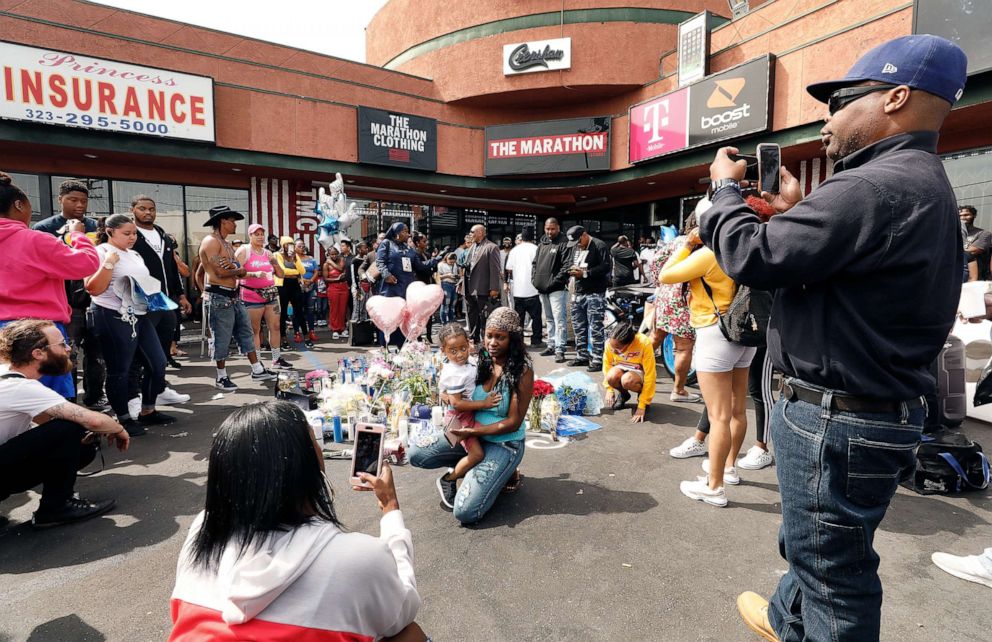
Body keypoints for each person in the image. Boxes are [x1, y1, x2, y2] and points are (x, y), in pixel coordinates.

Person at [699, 35, 967, 641]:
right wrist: (799, 209)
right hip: (863, 413)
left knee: (834, 579)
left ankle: (806, 624)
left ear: (896, 97)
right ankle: (786, 621)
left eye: (842, 100)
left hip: (836, 420)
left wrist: (723, 193)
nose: (829, 119)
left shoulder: (878, 184)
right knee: (813, 545)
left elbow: (754, 255)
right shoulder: (912, 179)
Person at [168, 401, 424, 641]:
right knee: (411, 634)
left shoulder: (204, 529)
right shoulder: (356, 558)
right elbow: (403, 609)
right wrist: (391, 509)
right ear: (306, 466)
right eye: (314, 442)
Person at [660, 214, 754, 508]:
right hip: (746, 333)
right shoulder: (749, 247)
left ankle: (715, 487)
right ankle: (728, 469)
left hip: (715, 332)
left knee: (718, 416)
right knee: (737, 409)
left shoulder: (710, 254)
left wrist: (687, 244)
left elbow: (666, 275)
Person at [0, 319, 129, 528]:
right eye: (62, 344)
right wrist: (119, 428)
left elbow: (41, 420)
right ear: (38, 353)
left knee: (80, 445)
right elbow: (93, 420)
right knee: (69, 427)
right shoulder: (18, 386)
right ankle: (56, 507)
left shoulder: (6, 373)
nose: (69, 348)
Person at [409, 307, 531, 524]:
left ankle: (503, 468)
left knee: (465, 511)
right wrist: (449, 398)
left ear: (513, 339)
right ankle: (474, 465)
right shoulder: (479, 359)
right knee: (416, 453)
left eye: (500, 338)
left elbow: (513, 423)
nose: (492, 342)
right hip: (470, 435)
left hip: (503, 443)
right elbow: (449, 389)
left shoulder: (522, 371)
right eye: (489, 336)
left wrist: (471, 431)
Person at [0, 173, 100, 399]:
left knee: (9, 400)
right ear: (18, 204)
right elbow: (86, 263)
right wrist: (77, 236)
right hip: (40, 333)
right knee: (52, 401)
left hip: (2, 333)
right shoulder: (34, 238)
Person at [84, 214, 175, 434]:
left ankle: (148, 410)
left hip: (140, 313)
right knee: (120, 369)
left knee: (157, 363)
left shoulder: (134, 254)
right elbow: (93, 288)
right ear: (110, 231)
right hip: (112, 314)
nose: (132, 237)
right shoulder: (101, 252)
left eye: (134, 233)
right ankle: (123, 418)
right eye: (127, 233)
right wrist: (108, 264)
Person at [31, 179, 105, 405]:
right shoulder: (43, 228)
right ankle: (69, 402)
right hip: (65, 303)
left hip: (97, 300)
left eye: (83, 200)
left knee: (97, 356)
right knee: (66, 355)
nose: (79, 205)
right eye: (73, 200)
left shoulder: (95, 226)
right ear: (60, 199)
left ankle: (94, 398)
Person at [198, 206, 277, 391]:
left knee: (246, 332)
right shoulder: (211, 242)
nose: (235, 224)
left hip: (233, 295)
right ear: (223, 221)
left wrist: (237, 270)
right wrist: (237, 271)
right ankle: (221, 377)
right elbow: (217, 271)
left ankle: (257, 369)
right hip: (219, 295)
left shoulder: (225, 243)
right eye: (232, 220)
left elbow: (230, 270)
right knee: (222, 337)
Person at [129, 195, 192, 406]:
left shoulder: (163, 235)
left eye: (151, 209)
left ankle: (159, 388)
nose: (148, 212)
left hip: (166, 300)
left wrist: (181, 294)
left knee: (163, 347)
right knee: (140, 351)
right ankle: (137, 393)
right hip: (141, 303)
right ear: (133, 210)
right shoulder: (130, 236)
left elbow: (172, 269)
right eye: (142, 208)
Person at [434, 323, 488, 509]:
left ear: (469, 344)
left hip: (470, 412)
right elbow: (456, 403)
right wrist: (484, 403)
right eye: (453, 351)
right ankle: (449, 478)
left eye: (463, 348)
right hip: (460, 417)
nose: (459, 354)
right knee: (477, 454)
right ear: (444, 351)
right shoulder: (453, 372)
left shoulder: (469, 361)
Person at [649, 215, 699, 404]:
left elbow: (655, 264)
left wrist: (660, 285)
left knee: (655, 337)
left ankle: (629, 368)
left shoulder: (676, 242)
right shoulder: (702, 245)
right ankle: (678, 390)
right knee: (683, 347)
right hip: (686, 297)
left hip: (665, 295)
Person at [375, 223, 442, 347]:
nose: (408, 234)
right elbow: (379, 261)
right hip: (391, 287)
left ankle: (402, 345)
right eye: (405, 231)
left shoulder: (409, 249)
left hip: (406, 288)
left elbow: (421, 266)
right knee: (389, 317)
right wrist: (386, 275)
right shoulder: (387, 244)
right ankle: (384, 346)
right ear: (397, 233)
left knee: (403, 317)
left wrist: (436, 260)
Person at [235, 223, 290, 370]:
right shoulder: (243, 251)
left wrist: (276, 265)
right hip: (251, 295)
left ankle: (276, 359)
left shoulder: (268, 253)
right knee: (255, 330)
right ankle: (257, 362)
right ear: (250, 236)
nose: (260, 237)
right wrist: (253, 274)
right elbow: (235, 272)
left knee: (276, 326)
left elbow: (281, 274)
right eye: (256, 234)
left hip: (270, 293)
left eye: (261, 234)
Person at [566, 225, 611, 372]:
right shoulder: (576, 247)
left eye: (578, 241)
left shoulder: (599, 245)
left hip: (595, 292)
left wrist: (586, 273)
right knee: (579, 326)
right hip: (578, 292)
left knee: (596, 326)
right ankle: (582, 355)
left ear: (584, 235)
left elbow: (605, 266)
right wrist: (571, 270)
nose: (577, 245)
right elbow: (569, 262)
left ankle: (598, 358)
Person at [532, 218, 571, 363]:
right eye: (547, 229)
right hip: (542, 288)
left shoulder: (564, 243)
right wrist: (534, 280)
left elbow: (566, 266)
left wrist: (553, 282)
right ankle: (551, 344)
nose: (550, 232)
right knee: (548, 319)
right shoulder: (542, 243)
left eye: (552, 229)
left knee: (559, 319)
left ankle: (560, 349)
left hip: (557, 289)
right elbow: (535, 264)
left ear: (558, 228)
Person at [602, 321, 656, 423]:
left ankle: (642, 395)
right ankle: (624, 394)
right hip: (621, 366)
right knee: (611, 377)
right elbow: (607, 366)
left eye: (617, 349)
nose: (613, 351)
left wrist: (642, 405)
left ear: (629, 344)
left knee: (627, 380)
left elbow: (650, 375)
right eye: (612, 347)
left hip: (638, 371)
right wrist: (609, 389)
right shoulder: (610, 343)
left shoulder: (643, 342)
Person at [463, 225, 502, 343]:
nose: (470, 234)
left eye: (472, 232)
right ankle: (473, 337)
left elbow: (495, 269)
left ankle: (485, 340)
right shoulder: (472, 247)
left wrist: (494, 288)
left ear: (480, 233)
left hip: (483, 287)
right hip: (469, 287)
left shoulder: (491, 247)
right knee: (472, 314)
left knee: (484, 316)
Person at [504, 227, 542, 347]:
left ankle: (519, 341)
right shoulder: (537, 249)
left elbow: (508, 268)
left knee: (519, 318)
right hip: (534, 289)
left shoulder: (514, 250)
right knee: (536, 317)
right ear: (533, 237)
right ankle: (536, 340)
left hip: (518, 290)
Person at [274, 236, 311, 349]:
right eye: (287, 244)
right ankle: (284, 339)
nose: (290, 246)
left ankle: (306, 336)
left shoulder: (294, 256)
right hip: (282, 285)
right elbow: (281, 271)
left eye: (291, 244)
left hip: (294, 285)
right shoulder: (277, 255)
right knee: (283, 314)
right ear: (282, 245)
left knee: (299, 312)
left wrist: (294, 259)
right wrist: (294, 272)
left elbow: (303, 271)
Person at [412, 232, 438, 340]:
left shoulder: (427, 254)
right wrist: (433, 261)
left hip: (428, 286)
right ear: (417, 243)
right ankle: (418, 336)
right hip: (418, 287)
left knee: (429, 313)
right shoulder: (414, 254)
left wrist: (434, 261)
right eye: (424, 241)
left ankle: (428, 336)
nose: (426, 243)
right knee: (419, 314)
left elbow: (432, 269)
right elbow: (421, 268)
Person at [295, 239, 321, 343]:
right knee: (298, 311)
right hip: (298, 288)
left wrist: (310, 280)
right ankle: (297, 333)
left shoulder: (311, 259)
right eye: (299, 246)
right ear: (294, 247)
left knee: (310, 310)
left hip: (311, 287)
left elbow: (316, 271)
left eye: (303, 246)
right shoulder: (293, 260)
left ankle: (311, 332)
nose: (302, 248)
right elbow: (293, 272)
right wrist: (302, 281)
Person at [323, 246, 350, 340]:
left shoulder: (341, 259)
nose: (334, 256)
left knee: (343, 309)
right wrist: (336, 279)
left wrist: (330, 261)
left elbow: (341, 269)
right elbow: (325, 279)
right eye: (332, 254)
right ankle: (335, 329)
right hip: (333, 287)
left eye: (335, 254)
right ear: (328, 254)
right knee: (334, 309)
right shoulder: (326, 265)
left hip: (343, 287)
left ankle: (342, 328)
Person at [960, 205, 990, 281]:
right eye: (959, 216)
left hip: (976, 279)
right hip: (957, 276)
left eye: (966, 215)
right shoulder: (954, 234)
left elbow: (972, 252)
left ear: (974, 215)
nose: (962, 218)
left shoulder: (984, 234)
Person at [438, 253, 460, 325]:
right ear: (446, 259)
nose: (452, 263)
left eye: (453, 262)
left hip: (454, 284)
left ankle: (451, 322)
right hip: (445, 284)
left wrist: (457, 276)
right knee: (445, 304)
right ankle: (444, 323)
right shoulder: (441, 264)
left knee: (453, 304)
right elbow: (437, 276)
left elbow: (459, 274)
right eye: (450, 262)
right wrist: (447, 275)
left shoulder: (456, 265)